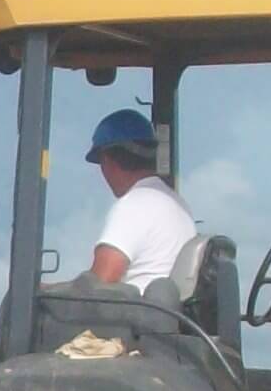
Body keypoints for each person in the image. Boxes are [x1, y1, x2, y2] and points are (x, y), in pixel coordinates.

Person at [80, 109, 197, 291]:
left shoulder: (134, 205)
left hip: (134, 317)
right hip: (162, 314)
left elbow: (97, 286)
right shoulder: (178, 205)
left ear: (107, 162)